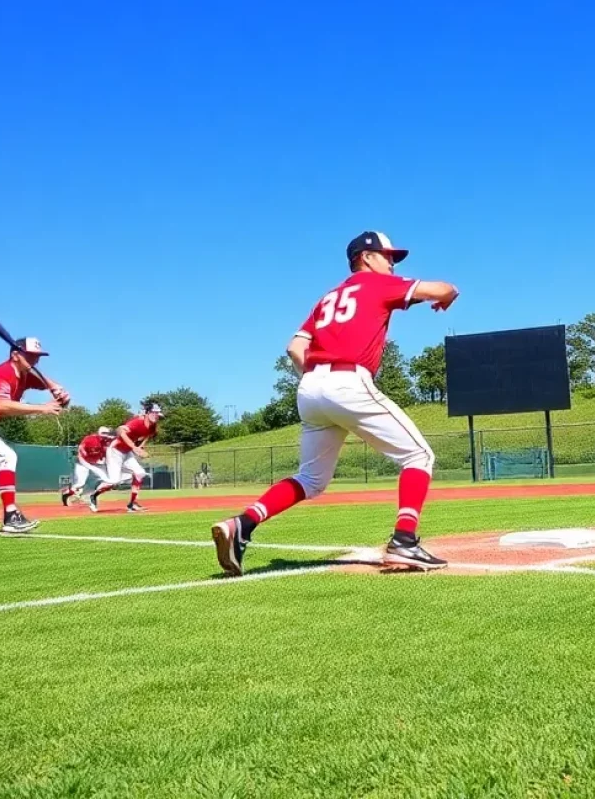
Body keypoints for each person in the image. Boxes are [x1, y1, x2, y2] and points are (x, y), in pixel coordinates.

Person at [212, 230, 459, 576]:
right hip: (348, 380)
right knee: (418, 456)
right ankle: (404, 540)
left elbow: (294, 348)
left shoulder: (327, 297)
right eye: (387, 255)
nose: (391, 262)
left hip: (311, 386)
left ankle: (244, 522)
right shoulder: (374, 283)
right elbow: (443, 288)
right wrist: (450, 294)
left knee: (311, 479)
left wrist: (317, 383)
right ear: (366, 257)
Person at [0, 337, 70, 533]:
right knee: (7, 456)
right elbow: (2, 406)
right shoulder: (2, 373)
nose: (35, 361)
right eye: (30, 356)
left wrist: (57, 389)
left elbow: (44, 382)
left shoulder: (24, 374)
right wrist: (42, 409)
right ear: (15, 355)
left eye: (37, 357)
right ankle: (11, 516)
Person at [88, 403, 164, 512]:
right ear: (147, 413)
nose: (157, 415)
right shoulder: (137, 422)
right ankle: (93, 496)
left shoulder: (152, 425)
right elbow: (120, 432)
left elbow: (149, 434)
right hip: (115, 450)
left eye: (158, 413)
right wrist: (134, 447)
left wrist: (141, 446)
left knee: (140, 473)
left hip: (127, 452)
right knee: (114, 481)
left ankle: (131, 504)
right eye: (154, 413)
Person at [61, 427, 117, 506]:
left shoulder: (107, 441)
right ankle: (66, 493)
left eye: (107, 434)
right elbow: (81, 447)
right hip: (82, 463)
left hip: (95, 463)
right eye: (103, 433)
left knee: (108, 481)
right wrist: (84, 453)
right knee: (80, 483)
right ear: (99, 433)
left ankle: (92, 496)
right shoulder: (90, 439)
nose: (105, 436)